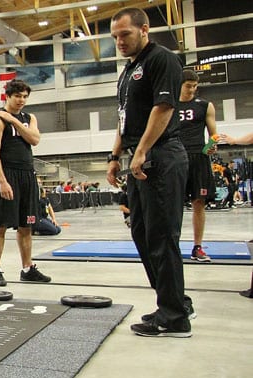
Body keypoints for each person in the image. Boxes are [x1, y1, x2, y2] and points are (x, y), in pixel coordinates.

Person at [106, 7, 192, 338]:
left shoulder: (162, 59)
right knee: (142, 233)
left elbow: (164, 107)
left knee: (162, 235)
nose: (119, 41)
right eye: (115, 36)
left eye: (125, 34)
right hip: (137, 160)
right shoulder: (128, 72)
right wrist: (115, 156)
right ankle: (174, 302)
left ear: (144, 29)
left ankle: (174, 318)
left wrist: (141, 151)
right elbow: (123, 118)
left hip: (162, 156)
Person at [0, 79, 51, 286]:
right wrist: (3, 181)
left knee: (26, 226)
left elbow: (35, 139)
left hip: (27, 176)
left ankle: (27, 268)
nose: (22, 100)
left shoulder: (28, 117)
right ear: (8, 96)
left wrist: (14, 121)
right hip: (8, 175)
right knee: (1, 225)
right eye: (18, 96)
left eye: (25, 97)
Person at [178, 69, 218, 262]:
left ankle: (197, 247)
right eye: (188, 86)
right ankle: (171, 246)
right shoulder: (169, 105)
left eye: (195, 86)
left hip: (198, 157)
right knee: (172, 204)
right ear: (180, 84)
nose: (192, 89)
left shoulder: (205, 106)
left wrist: (211, 146)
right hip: (175, 157)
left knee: (199, 203)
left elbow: (213, 135)